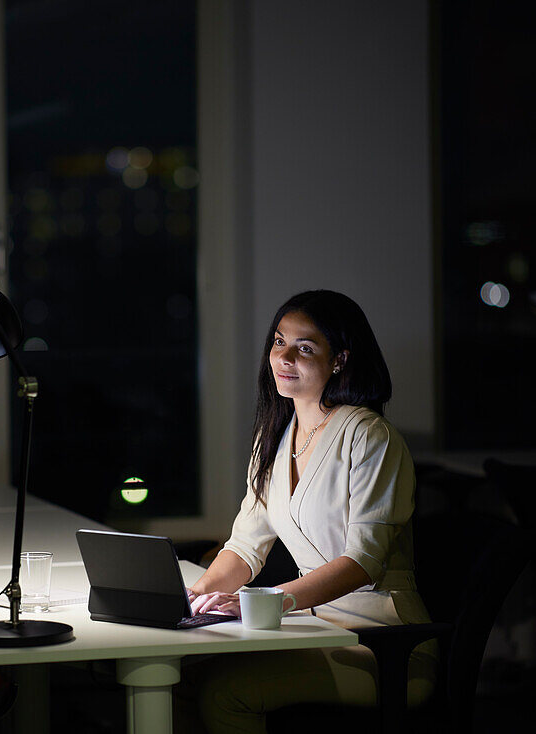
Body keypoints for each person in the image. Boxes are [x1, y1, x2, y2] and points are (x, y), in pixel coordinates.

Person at [182, 290, 436, 733]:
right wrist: (193, 601)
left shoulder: (370, 436)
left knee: (223, 691)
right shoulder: (275, 437)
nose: (284, 357)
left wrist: (261, 604)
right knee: (184, 670)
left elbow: (363, 562)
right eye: (279, 342)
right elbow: (244, 547)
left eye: (305, 347)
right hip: (316, 625)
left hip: (384, 641)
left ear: (339, 359)